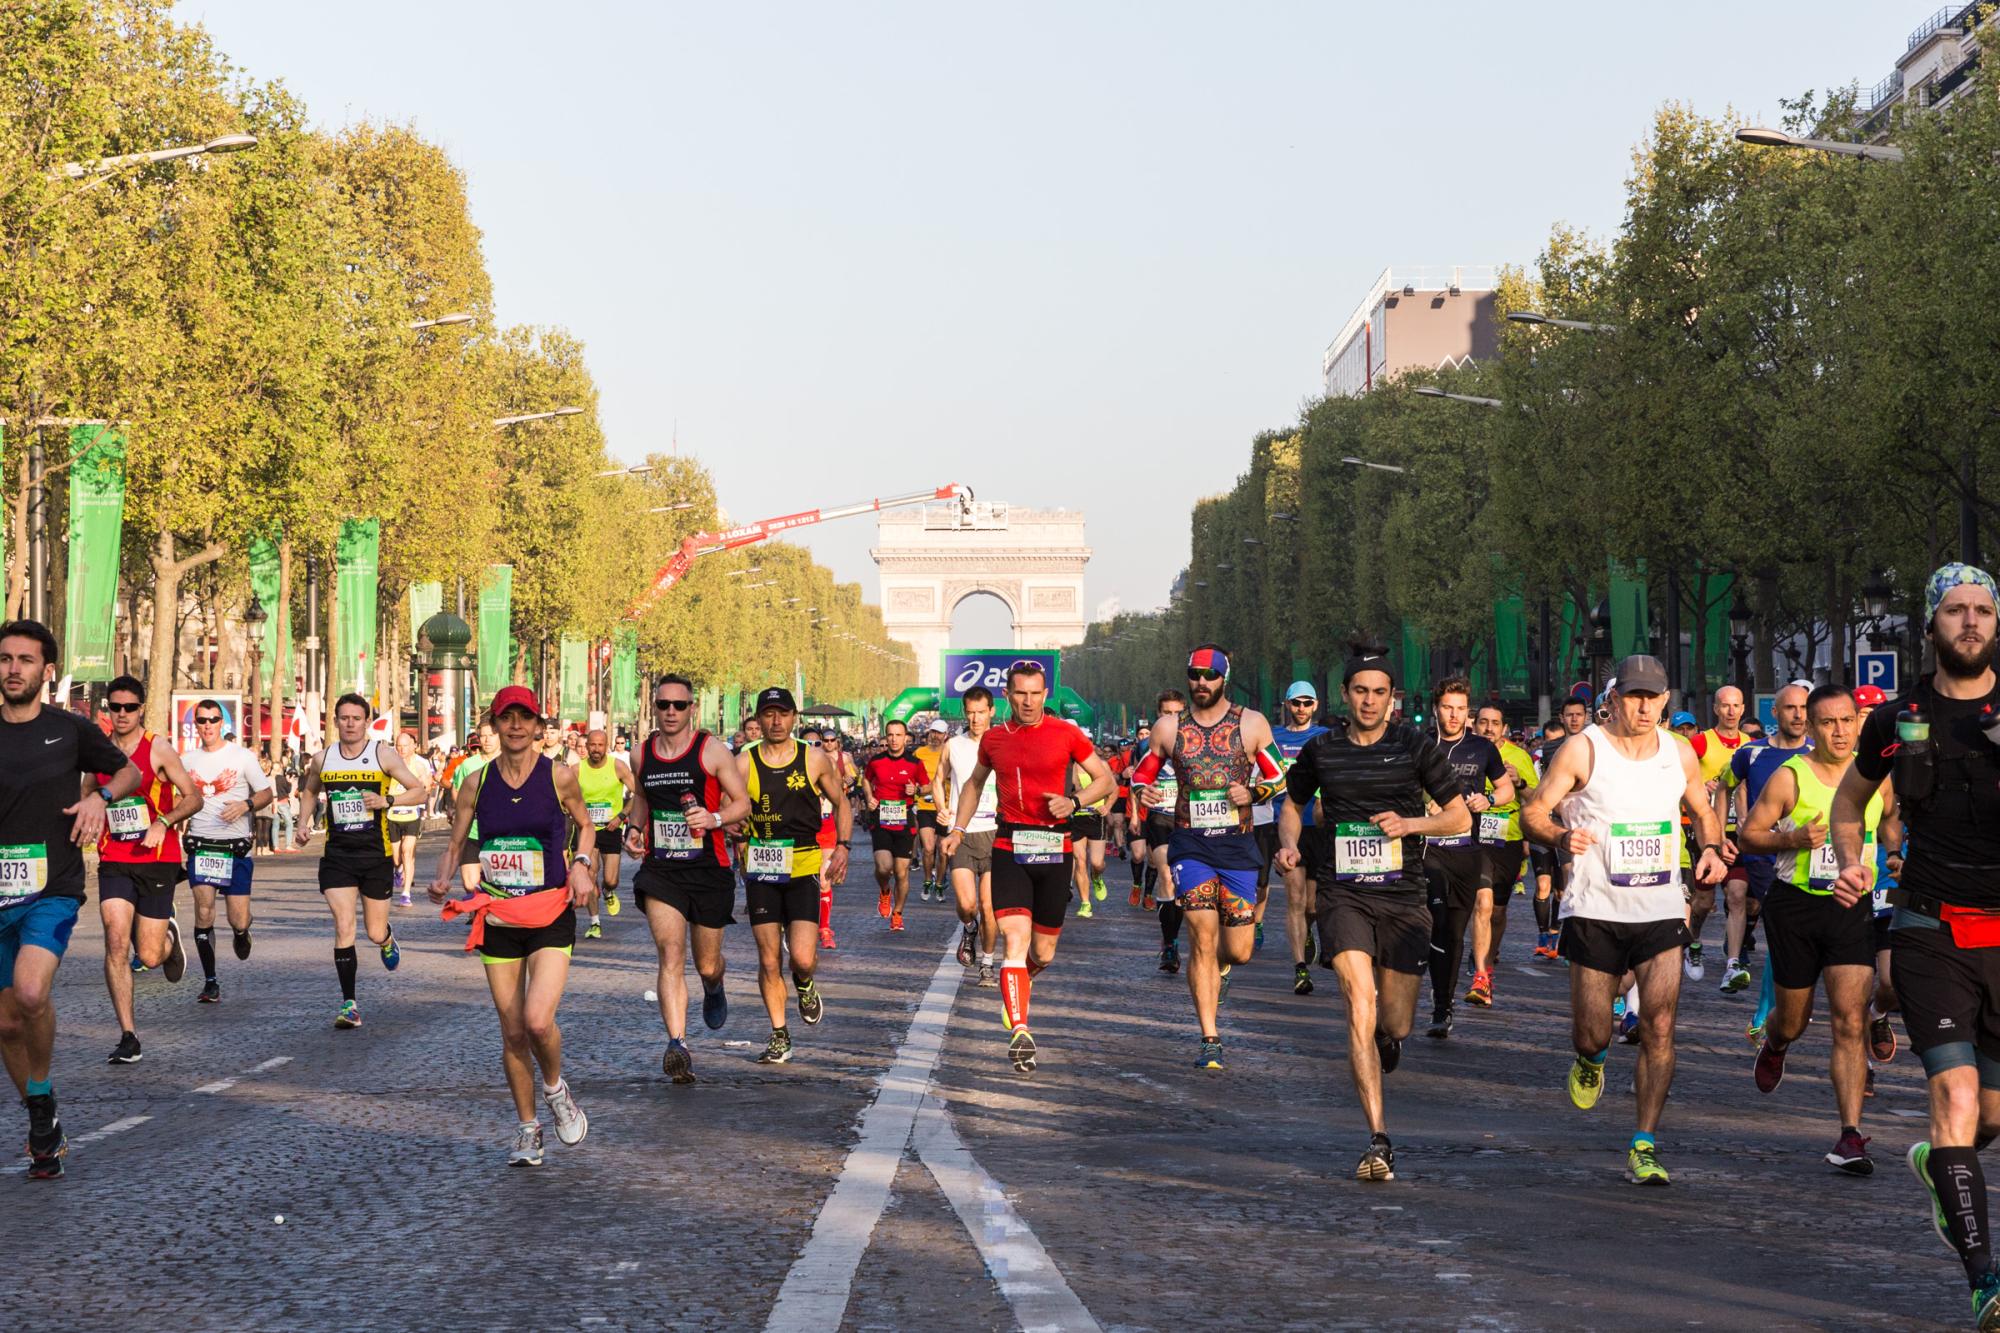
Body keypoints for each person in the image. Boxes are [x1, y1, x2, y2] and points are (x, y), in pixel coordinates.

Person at [1832, 564, 2000, 1324]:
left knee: (1986, 1116)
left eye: (1982, 610)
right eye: (1956, 610)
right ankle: (1985, 1283)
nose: (1970, 621)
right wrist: (1850, 861)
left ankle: (1942, 1166)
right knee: (1955, 1097)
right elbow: (1849, 799)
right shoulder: (1898, 717)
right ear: (1932, 622)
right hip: (1930, 925)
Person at [1523, 655, 1726, 1187]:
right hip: (1595, 909)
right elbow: (1533, 811)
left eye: (1652, 697)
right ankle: (1590, 1060)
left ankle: (1644, 1141)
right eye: (1632, 696)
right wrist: (1563, 837)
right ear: (1613, 699)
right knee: (1592, 1035)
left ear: (1666, 701)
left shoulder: (1678, 753)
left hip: (1659, 907)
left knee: (1659, 1026)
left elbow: (1703, 811)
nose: (1642, 706)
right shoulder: (1583, 748)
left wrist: (1709, 849)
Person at [1278, 647, 1468, 1180]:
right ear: (1345, 695)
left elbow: (1457, 817)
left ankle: (1389, 1038)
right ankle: (1378, 1139)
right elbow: (1292, 803)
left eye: (1380, 692)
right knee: (1358, 1001)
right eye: (1360, 690)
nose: (1369, 700)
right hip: (1343, 895)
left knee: (1395, 1021)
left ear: (1392, 698)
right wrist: (1290, 845)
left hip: (1403, 896)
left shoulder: (1415, 746)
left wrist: (1410, 825)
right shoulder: (1322, 750)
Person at [429, 686, 594, 1167]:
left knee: (538, 1020)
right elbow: (456, 842)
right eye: (507, 718)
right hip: (499, 914)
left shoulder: (559, 776)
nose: (516, 726)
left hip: (548, 912)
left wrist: (582, 862)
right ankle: (527, 1128)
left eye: (525, 718)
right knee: (513, 1031)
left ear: (538, 727)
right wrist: (442, 877)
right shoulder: (474, 783)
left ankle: (556, 1089)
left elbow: (585, 824)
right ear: (495, 726)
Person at [0, 621, 141, 1176]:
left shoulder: (69, 730)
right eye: (5, 659)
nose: (13, 668)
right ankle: (41, 1110)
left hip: (50, 888)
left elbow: (127, 771)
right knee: (7, 1024)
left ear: (46, 670)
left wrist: (100, 799)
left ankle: (38, 1100)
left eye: (25, 660)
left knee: (30, 993)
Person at [1741, 683, 1889, 1175]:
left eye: (1847, 720)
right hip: (1796, 908)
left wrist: (1897, 853)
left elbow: (1890, 822)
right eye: (1828, 722)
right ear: (1813, 727)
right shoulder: (1791, 777)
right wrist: (1795, 837)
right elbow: (1750, 835)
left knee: (1850, 1020)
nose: (1840, 731)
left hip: (1850, 905)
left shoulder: (1875, 777)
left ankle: (1849, 1136)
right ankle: (1777, 1042)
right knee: (1795, 1019)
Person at [941, 662, 1113, 1074]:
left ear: (1045, 694)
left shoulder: (1067, 733)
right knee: (1014, 941)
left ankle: (1025, 978)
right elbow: (973, 784)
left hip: (1056, 847)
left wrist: (1074, 802)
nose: (1028, 701)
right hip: (1010, 846)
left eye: (1036, 694)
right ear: (1008, 695)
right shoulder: (995, 739)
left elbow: (1105, 780)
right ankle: (1020, 1028)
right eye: (1020, 694)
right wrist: (958, 829)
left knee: (1043, 951)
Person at [1134, 645, 1284, 1070]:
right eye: (1195, 675)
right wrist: (1140, 791)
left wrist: (1253, 792)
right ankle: (1210, 1038)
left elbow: (1278, 774)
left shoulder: (1251, 723)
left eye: (1210, 675)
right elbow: (1143, 773)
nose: (1202, 682)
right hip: (1190, 845)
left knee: (1238, 950)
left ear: (1224, 678)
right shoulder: (1168, 727)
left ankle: (1223, 967)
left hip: (1238, 847)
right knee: (1201, 935)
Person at [626, 675, 752, 1083]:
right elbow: (643, 799)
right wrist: (633, 829)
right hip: (662, 871)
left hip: (709, 870)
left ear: (691, 708)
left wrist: (713, 818)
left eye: (679, 706)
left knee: (707, 963)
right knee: (670, 954)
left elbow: (742, 803)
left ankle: (714, 986)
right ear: (655, 705)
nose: (670, 713)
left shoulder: (710, 750)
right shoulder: (640, 753)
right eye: (663, 705)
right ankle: (677, 1043)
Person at [296, 694, 431, 1028]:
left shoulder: (381, 755)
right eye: (344, 718)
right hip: (338, 856)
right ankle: (349, 1006)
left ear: (366, 721)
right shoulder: (323, 758)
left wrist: (387, 799)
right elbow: (310, 791)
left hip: (376, 855)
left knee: (372, 931)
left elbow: (420, 790)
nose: (350, 724)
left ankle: (386, 939)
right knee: (344, 927)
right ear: (336, 721)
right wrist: (302, 823)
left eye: (356, 718)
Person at [737, 688, 850, 1065]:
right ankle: (779, 1034)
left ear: (794, 717)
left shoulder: (813, 758)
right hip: (762, 866)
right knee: (769, 959)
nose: (775, 721)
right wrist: (735, 831)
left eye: (782, 714)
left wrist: (844, 846)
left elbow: (842, 801)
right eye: (768, 714)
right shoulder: (744, 761)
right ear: (758, 718)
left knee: (801, 957)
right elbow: (730, 807)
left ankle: (804, 983)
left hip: (802, 865)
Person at [94, 674, 201, 1065]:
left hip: (157, 859)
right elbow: (86, 794)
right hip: (114, 859)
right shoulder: (99, 751)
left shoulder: (158, 749)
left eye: (129, 708)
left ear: (141, 710)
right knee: (115, 942)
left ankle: (166, 941)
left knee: (150, 956)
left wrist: (164, 822)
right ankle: (128, 1035)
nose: (121, 714)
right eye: (114, 707)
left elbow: (194, 798)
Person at [1422, 678, 1515, 1039]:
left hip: (1467, 849)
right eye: (1448, 707)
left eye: (1461, 708)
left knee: (1455, 932)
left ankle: (1444, 1005)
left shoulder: (1481, 748)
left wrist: (1489, 800)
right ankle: (1438, 1000)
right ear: (1436, 709)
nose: (1455, 715)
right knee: (1435, 920)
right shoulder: (1421, 745)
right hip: (1428, 848)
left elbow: (1505, 787)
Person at [1725, 683, 1813, 1022]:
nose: (1798, 714)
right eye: (1790, 708)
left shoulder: (1818, 752)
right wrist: (1723, 836)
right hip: (1763, 855)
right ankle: (1763, 1016)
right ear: (1775, 713)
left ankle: (1779, 1007)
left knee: (1794, 934)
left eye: (1804, 708)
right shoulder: (1752, 752)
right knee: (1780, 929)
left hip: (1807, 856)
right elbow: (1724, 788)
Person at [182, 696, 273, 1002]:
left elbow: (266, 793)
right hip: (202, 846)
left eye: (213, 720)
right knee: (204, 910)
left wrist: (245, 805)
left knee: (237, 917)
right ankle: (210, 981)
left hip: (235, 848)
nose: (207, 726)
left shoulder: (242, 757)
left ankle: (241, 931)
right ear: (196, 724)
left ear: (222, 723)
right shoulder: (186, 760)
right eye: (201, 720)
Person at [935, 685, 1001, 986]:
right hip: (961, 833)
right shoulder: (954, 745)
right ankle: (969, 926)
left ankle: (987, 963)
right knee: (967, 904)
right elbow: (938, 780)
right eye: (970, 713)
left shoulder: (1003, 743)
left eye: (980, 712)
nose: (975, 719)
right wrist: (942, 808)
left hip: (996, 832)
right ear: (965, 713)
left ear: (992, 711)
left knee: (990, 906)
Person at [1687, 685, 1750, 982]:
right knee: (1702, 902)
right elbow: (1682, 777)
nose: (1731, 711)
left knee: (1737, 895)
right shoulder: (1700, 742)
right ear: (1715, 709)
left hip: (1738, 833)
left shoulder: (1752, 745)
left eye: (1736, 705)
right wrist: (1701, 786)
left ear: (1743, 709)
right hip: (1708, 832)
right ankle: (1694, 941)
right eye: (1725, 705)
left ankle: (1733, 963)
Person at [1271, 681, 1330, 996]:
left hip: (1319, 827)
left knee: (1313, 907)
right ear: (1287, 705)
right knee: (1294, 900)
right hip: (1287, 826)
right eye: (1296, 703)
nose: (1301, 709)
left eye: (1307, 703)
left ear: (1316, 705)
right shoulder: (1274, 739)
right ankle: (1300, 968)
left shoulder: (1323, 738)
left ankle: (1309, 932)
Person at [1472, 702, 1538, 982]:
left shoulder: (1518, 757)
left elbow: (1537, 800)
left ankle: (1489, 954)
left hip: (1507, 839)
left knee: (1497, 911)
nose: (1488, 728)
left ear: (1504, 728)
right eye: (1483, 722)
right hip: (1473, 839)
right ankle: (1480, 970)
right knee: (1481, 904)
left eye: (1495, 723)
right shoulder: (1465, 752)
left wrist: (1519, 782)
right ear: (1474, 725)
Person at [573, 728, 637, 941]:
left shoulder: (617, 766)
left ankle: (608, 892)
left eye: (601, 745)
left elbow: (639, 794)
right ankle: (595, 923)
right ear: (586, 746)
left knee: (611, 879)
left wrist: (621, 816)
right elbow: (565, 797)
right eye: (592, 745)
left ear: (606, 745)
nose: (596, 749)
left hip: (611, 828)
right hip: (587, 830)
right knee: (590, 875)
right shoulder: (577, 770)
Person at [862, 720, 926, 931]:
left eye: (898, 735)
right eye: (890, 735)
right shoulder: (876, 761)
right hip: (881, 818)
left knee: (901, 872)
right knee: (883, 867)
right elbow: (865, 780)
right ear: (886, 737)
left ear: (906, 737)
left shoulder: (915, 763)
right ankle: (884, 891)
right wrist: (869, 797)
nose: (894, 739)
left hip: (904, 818)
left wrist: (915, 790)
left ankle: (897, 913)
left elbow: (927, 787)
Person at [813, 729, 854, 948]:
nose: (816, 746)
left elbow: (842, 803)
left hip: (827, 828)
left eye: (818, 742)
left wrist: (843, 844)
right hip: (801, 832)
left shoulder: (833, 766)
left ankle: (825, 928)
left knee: (824, 878)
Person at [452, 722, 501, 895]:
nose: (486, 740)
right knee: (470, 884)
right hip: (471, 832)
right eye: (483, 736)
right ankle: (479, 914)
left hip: (499, 834)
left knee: (496, 884)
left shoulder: (509, 763)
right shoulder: (468, 765)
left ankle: (485, 917)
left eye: (491, 735)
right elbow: (457, 792)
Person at [387, 730, 433, 906]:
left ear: (413, 746)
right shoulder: (390, 764)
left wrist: (422, 788)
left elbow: (427, 786)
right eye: (399, 746)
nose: (402, 749)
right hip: (393, 814)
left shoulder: (420, 765)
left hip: (412, 813)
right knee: (396, 856)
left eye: (405, 746)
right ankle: (398, 870)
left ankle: (406, 893)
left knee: (408, 850)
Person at [914, 718, 947, 902]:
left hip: (944, 807)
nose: (935, 736)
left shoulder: (950, 751)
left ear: (945, 736)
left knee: (943, 851)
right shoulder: (920, 753)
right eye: (933, 732)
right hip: (925, 806)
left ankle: (940, 883)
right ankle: (927, 881)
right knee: (928, 848)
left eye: (939, 733)